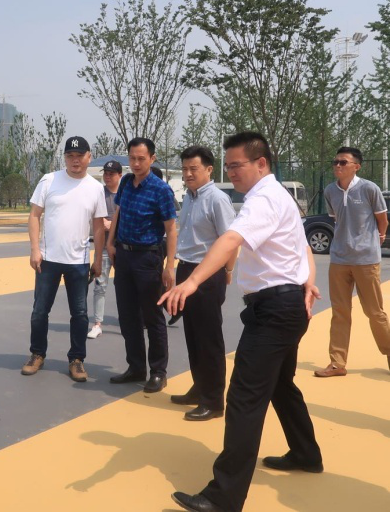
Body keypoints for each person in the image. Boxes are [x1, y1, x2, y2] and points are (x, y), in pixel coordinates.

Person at [159, 132, 323, 512]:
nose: (231, 173)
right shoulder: (277, 196)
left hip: (275, 312)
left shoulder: (263, 199)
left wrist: (192, 281)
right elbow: (302, 248)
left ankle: (224, 497)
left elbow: (231, 239)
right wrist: (308, 281)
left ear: (260, 163)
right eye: (228, 166)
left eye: (237, 165)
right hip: (284, 307)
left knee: (244, 399)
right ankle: (305, 452)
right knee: (280, 385)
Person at [21, 136, 106, 382]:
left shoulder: (95, 188)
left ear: (89, 157)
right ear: (65, 158)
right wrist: (34, 249)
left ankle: (77, 360)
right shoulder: (49, 180)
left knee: (79, 313)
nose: (75, 160)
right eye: (70, 156)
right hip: (47, 259)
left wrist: (97, 259)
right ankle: (37, 354)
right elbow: (34, 215)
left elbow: (98, 226)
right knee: (40, 311)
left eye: (80, 156)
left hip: (78, 261)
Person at [169, 146, 236, 422]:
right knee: (193, 335)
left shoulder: (217, 199)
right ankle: (199, 387)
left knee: (209, 339)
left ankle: (214, 400)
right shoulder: (189, 197)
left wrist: (228, 270)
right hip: (186, 270)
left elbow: (230, 239)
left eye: (193, 169)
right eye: (184, 169)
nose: (187, 174)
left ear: (209, 169)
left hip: (207, 273)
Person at [107, 137, 178, 393]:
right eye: (132, 158)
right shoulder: (126, 182)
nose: (136, 163)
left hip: (148, 258)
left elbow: (171, 229)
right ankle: (136, 367)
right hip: (123, 256)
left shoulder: (161, 190)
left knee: (152, 316)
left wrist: (170, 266)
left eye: (141, 159)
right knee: (127, 316)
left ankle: (158, 371)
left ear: (152, 158)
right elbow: (118, 212)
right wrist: (110, 243)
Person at [314, 146, 390, 378]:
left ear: (356, 166)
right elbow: (337, 219)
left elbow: (382, 219)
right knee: (340, 312)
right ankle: (337, 363)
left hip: (366, 260)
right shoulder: (330, 191)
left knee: (375, 312)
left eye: (343, 162)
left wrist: (376, 239)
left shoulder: (369, 188)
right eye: (335, 162)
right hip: (339, 259)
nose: (337, 166)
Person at [87, 159, 123, 339]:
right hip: (103, 247)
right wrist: (103, 223)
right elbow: (91, 216)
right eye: (105, 174)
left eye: (111, 174)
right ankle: (97, 323)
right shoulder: (99, 193)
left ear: (120, 175)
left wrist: (114, 225)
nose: (107, 177)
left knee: (124, 287)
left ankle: (127, 321)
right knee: (100, 285)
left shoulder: (126, 193)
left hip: (122, 247)